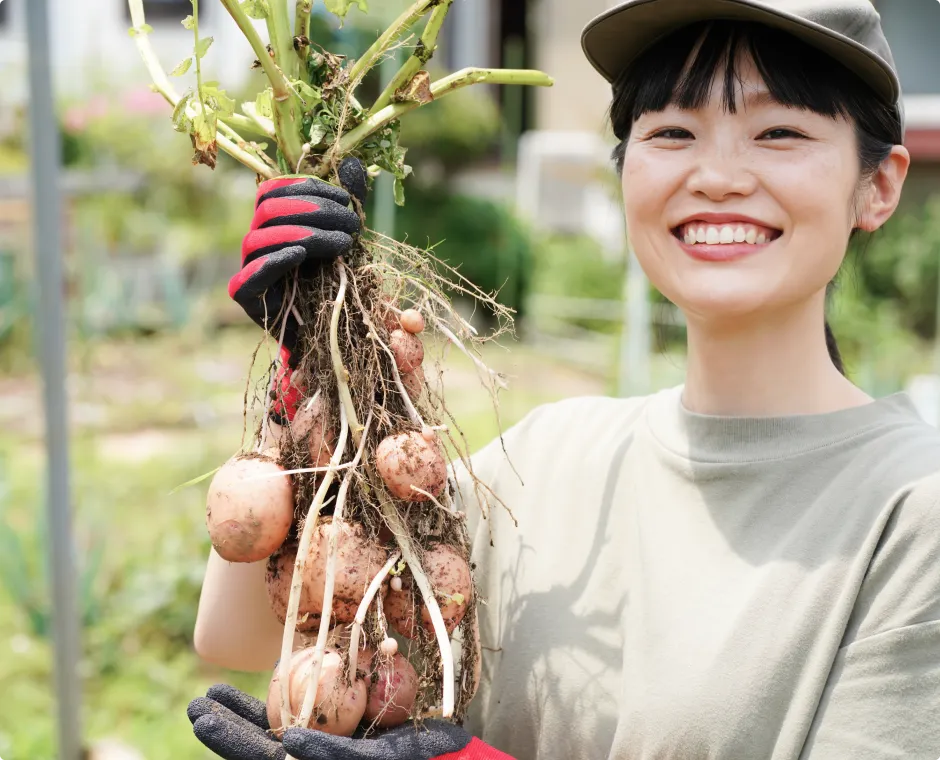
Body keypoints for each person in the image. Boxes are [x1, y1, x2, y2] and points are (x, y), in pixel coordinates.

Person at [186, 1, 940, 758]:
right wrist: (310, 367)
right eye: (672, 132)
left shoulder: (912, 515)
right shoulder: (549, 460)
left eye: (780, 133)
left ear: (878, 185)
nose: (716, 176)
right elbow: (241, 632)